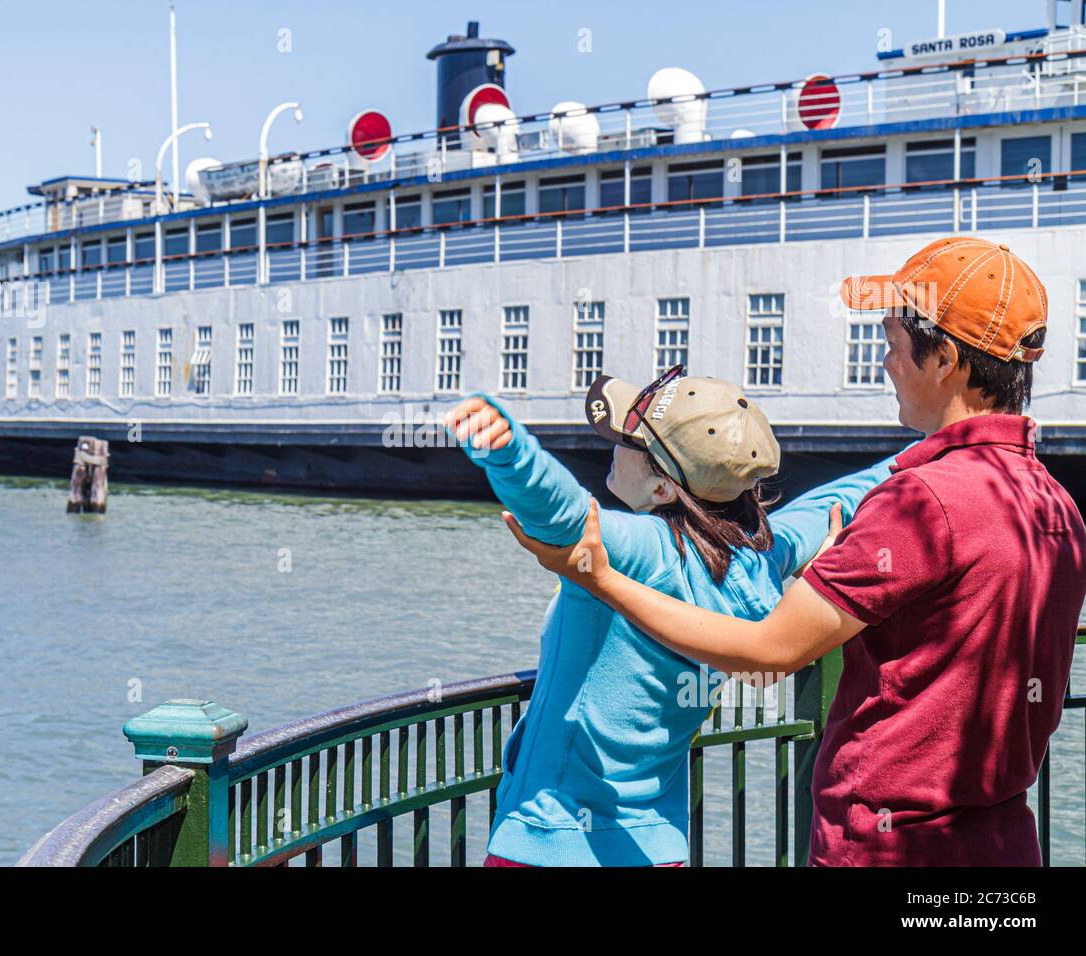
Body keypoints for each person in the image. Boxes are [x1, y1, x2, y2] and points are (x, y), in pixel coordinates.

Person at [505, 237, 1086, 867]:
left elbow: (769, 651)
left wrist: (598, 578)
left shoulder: (918, 504)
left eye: (892, 344)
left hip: (891, 848)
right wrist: (851, 571)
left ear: (944, 358)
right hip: (1004, 844)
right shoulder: (1053, 507)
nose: (886, 362)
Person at [445, 366, 903, 866]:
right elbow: (837, 499)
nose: (615, 444)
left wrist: (509, 452)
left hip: (551, 838)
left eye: (630, 441)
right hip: (657, 846)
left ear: (663, 489)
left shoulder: (635, 551)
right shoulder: (761, 560)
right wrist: (935, 444)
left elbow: (558, 511)